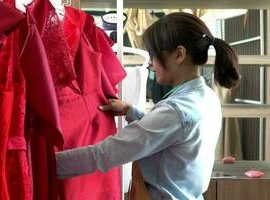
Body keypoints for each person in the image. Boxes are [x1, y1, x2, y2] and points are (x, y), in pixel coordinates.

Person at [55, 12, 240, 200]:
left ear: (179, 54)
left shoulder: (175, 111)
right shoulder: (206, 97)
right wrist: (130, 111)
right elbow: (171, 134)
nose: (151, 63)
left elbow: (106, 153)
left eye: (154, 55)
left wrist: (43, 166)